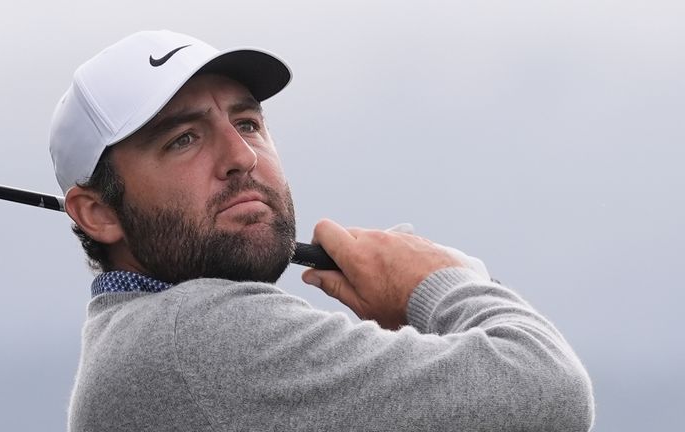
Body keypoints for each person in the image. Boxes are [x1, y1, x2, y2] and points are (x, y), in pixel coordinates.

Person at [49, 30, 594, 431]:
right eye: (183, 139)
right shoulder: (194, 335)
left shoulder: (139, 341)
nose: (242, 157)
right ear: (98, 213)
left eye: (247, 123)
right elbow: (548, 391)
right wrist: (441, 284)